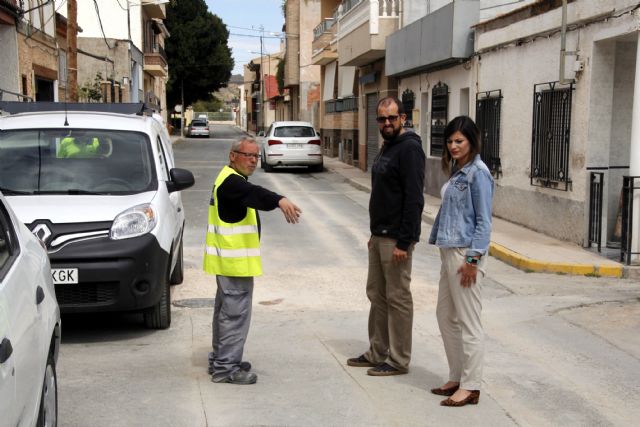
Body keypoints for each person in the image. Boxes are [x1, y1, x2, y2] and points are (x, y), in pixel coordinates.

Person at [204, 136, 302, 385]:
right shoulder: (232, 183)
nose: (252, 161)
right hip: (234, 264)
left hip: (228, 262)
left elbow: (248, 193)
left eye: (256, 156)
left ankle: (221, 359)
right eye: (247, 155)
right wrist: (279, 200)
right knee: (234, 315)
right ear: (232, 155)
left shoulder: (228, 178)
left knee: (224, 313)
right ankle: (226, 369)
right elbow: (253, 194)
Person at [347, 96, 426, 376]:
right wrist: (374, 233)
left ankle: (398, 360)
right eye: (382, 118)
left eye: (393, 117)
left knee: (398, 298)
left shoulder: (409, 149)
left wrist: (405, 241)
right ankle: (377, 351)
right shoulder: (388, 147)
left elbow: (414, 199)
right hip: (379, 236)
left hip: (397, 240)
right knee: (377, 295)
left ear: (402, 118)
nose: (387, 122)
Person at [428, 116, 494, 407]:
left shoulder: (478, 173)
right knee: (445, 316)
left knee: (469, 322)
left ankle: (471, 386)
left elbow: (484, 222)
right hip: (448, 252)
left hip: (465, 254)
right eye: (450, 141)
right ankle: (457, 376)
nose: (453, 146)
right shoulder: (459, 169)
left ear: (471, 142)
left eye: (459, 141)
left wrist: (472, 259)